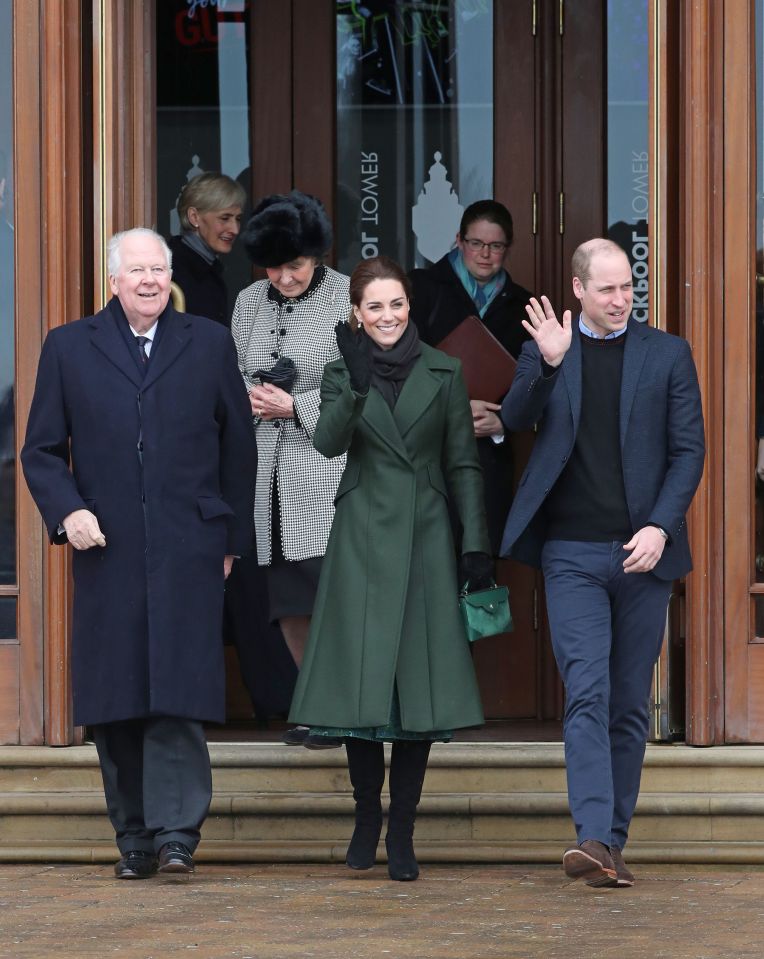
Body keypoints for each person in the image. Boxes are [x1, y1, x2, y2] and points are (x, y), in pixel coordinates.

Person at [21, 228, 256, 879]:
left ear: (170, 276)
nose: (150, 280)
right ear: (114, 279)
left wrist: (232, 539)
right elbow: (40, 450)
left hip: (191, 545)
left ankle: (178, 832)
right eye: (138, 271)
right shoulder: (69, 346)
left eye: (159, 269)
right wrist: (68, 511)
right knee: (117, 695)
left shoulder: (207, 341)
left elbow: (238, 445)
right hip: (108, 547)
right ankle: (133, 836)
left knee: (178, 691)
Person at [499, 238, 705, 888]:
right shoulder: (549, 348)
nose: (621, 299)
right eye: (608, 288)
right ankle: (590, 833)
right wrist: (551, 366)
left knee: (627, 705)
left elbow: (689, 451)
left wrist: (659, 527)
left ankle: (611, 842)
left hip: (643, 554)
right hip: (572, 554)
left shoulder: (667, 353)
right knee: (585, 691)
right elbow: (513, 419)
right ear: (579, 287)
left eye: (627, 288)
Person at [288, 255, 494, 882]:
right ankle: (364, 817)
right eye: (374, 306)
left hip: (427, 537)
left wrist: (475, 542)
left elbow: (463, 462)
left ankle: (401, 828)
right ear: (356, 311)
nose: (387, 316)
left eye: (396, 304)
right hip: (360, 539)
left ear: (410, 307)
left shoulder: (445, 370)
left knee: (415, 695)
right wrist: (351, 384)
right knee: (361, 688)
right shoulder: (336, 370)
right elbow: (327, 443)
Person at [233, 190, 349, 749]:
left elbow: (362, 392)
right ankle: (312, 701)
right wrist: (250, 396)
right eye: (274, 267)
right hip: (266, 476)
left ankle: (342, 706)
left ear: (317, 255)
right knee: (286, 596)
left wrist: (294, 404)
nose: (283, 277)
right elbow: (233, 376)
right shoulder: (248, 302)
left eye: (294, 265)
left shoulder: (347, 298)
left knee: (330, 592)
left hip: (327, 471)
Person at [409, 200, 532, 553]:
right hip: (426, 457)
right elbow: (397, 369)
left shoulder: (523, 305)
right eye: (476, 243)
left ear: (507, 249)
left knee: (478, 573)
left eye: (495, 246)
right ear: (459, 240)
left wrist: (503, 421)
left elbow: (535, 385)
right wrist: (450, 410)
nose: (485, 254)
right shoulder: (420, 289)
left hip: (486, 461)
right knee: (427, 571)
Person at [168, 172, 246, 327]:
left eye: (238, 219)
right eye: (225, 218)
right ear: (194, 217)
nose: (235, 229)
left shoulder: (207, 267)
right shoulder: (170, 271)